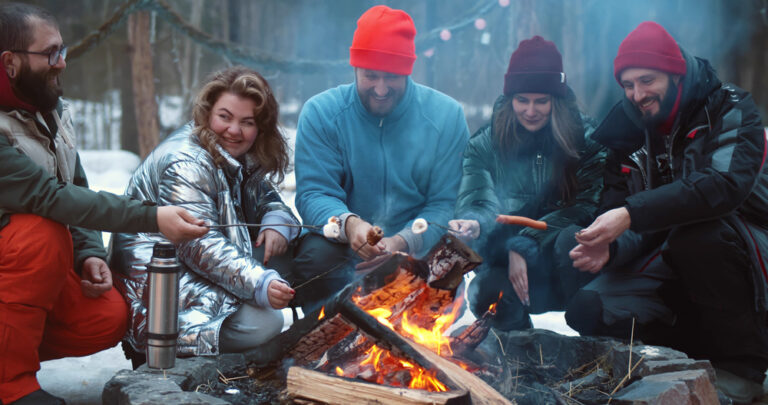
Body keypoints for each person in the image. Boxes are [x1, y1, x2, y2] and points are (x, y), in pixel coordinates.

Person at [0, 3, 208, 404]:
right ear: (10, 63)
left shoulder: (47, 110)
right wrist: (154, 217)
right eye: (51, 53)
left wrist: (89, 253)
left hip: (19, 271)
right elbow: (50, 198)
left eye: (63, 50)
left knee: (106, 317)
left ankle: (10, 350)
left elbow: (73, 183)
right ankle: (11, 384)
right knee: (39, 235)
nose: (62, 63)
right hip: (19, 253)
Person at [563, 21, 768, 403]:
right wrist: (612, 246)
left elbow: (721, 188)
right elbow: (617, 206)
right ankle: (681, 357)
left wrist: (629, 214)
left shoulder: (730, 107)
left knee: (698, 239)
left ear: (675, 74)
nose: (637, 94)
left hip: (746, 244)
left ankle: (742, 370)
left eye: (647, 80)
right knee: (587, 309)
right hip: (667, 249)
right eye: (627, 84)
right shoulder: (625, 130)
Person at [110, 66, 297, 366]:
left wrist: (275, 220)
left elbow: (264, 197)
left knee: (291, 257)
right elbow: (199, 243)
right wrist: (259, 283)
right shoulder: (187, 162)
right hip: (159, 279)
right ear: (208, 113)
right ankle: (161, 349)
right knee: (266, 322)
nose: (234, 130)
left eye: (246, 122)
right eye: (225, 117)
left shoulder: (234, 154)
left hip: (192, 266)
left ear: (260, 128)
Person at [293, 5, 469, 309]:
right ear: (355, 69)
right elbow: (314, 193)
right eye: (370, 76)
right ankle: (322, 339)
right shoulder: (322, 113)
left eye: (392, 77)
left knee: (450, 275)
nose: (381, 88)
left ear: (408, 71)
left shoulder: (446, 116)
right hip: (344, 250)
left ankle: (416, 345)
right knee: (313, 259)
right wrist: (350, 226)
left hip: (417, 248)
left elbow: (446, 202)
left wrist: (402, 242)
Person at [449, 36, 605, 331]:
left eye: (541, 101)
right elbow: (477, 197)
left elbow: (588, 206)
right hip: (513, 271)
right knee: (485, 292)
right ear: (510, 99)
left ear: (555, 100)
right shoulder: (486, 143)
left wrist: (525, 243)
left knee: (572, 239)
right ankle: (522, 349)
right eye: (522, 100)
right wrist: (474, 223)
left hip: (570, 266)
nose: (530, 111)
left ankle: (590, 338)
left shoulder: (587, 139)